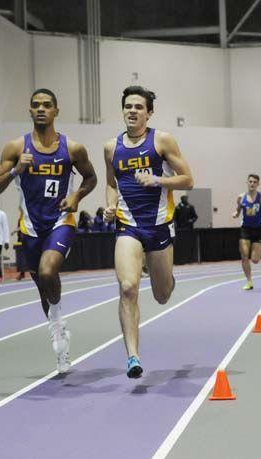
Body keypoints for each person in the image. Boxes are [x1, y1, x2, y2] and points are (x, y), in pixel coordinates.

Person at [0, 88, 97, 373]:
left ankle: (58, 323)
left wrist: (76, 197)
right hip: (31, 228)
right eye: (36, 105)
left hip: (61, 222)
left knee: (49, 272)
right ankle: (59, 336)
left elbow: (91, 178)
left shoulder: (72, 149)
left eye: (47, 105)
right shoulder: (16, 148)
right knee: (42, 289)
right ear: (30, 110)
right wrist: (15, 171)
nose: (41, 109)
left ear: (56, 111)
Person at [103, 85, 193, 378]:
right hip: (128, 227)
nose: (132, 111)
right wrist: (109, 205)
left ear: (149, 112)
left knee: (162, 294)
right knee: (128, 287)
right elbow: (111, 183)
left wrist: (157, 180)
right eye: (128, 106)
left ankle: (167, 279)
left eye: (139, 107)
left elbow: (188, 180)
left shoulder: (162, 141)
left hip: (159, 227)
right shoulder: (111, 148)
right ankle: (133, 357)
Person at [232, 174, 261, 291]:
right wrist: (236, 213)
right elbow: (238, 209)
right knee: (244, 255)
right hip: (245, 229)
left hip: (258, 229)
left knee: (255, 260)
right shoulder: (241, 197)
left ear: (258, 184)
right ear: (247, 183)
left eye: (255, 182)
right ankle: (249, 281)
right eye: (250, 181)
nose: (252, 184)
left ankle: (254, 254)